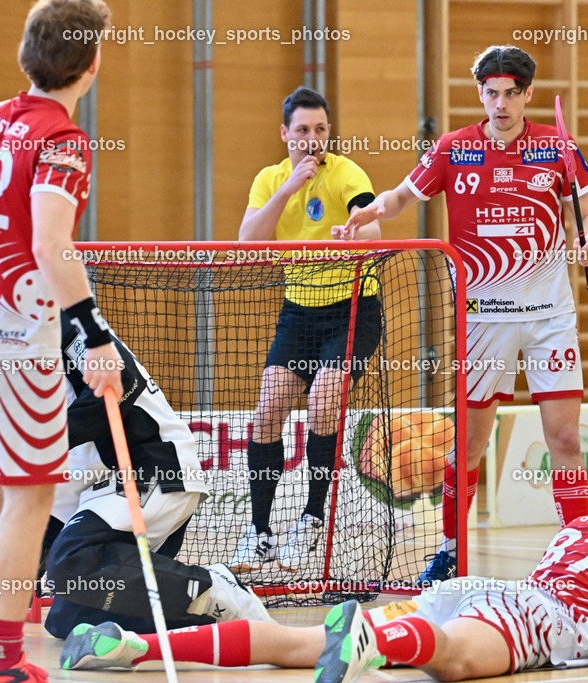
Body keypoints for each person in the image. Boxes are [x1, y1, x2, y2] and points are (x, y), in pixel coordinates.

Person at [57, 452, 588, 681]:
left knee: (294, 643)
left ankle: (130, 647)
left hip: (492, 593)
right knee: (458, 665)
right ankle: (375, 644)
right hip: (529, 622)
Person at [341, 45, 588, 583]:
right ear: (479, 93)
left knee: (567, 440)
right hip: (485, 318)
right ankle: (451, 547)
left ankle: (577, 554)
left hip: (549, 314)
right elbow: (397, 199)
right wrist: (368, 212)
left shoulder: (558, 147)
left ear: (528, 94)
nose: (500, 104)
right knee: (472, 441)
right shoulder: (452, 149)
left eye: (511, 93)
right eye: (491, 93)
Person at [0, 1, 120, 680]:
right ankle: (2, 659)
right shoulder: (63, 139)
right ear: (91, 65)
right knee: (30, 494)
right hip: (13, 342)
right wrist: (91, 332)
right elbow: (50, 242)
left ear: (25, 55)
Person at [0, 314, 272, 637]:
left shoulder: (63, 327)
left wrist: (46, 442)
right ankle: (211, 618)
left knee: (70, 559)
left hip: (155, 466)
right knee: (68, 617)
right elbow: (48, 516)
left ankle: (213, 585)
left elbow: (125, 382)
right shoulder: (16, 380)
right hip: (103, 492)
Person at [232, 86, 381, 574]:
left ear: (329, 133)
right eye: (302, 131)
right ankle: (259, 533)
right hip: (299, 312)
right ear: (285, 134)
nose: (312, 140)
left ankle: (312, 520)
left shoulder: (346, 173)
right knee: (268, 409)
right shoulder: (270, 179)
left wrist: (355, 229)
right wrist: (289, 188)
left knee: (322, 400)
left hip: (354, 309)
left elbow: (375, 226)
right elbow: (249, 238)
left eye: (320, 130)